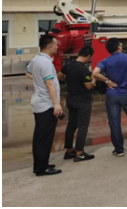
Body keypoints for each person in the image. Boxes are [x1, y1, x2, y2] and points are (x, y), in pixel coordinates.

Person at [93, 38, 127, 157]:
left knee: (114, 123)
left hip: (112, 95)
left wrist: (107, 81)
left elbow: (95, 73)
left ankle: (119, 149)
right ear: (119, 47)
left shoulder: (106, 61)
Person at [26, 35, 62, 176]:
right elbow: (49, 83)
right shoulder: (46, 63)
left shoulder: (36, 60)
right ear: (50, 47)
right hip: (46, 104)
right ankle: (42, 168)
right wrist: (56, 103)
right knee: (45, 137)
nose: (57, 46)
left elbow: (27, 72)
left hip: (39, 102)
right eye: (56, 44)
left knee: (40, 136)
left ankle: (40, 164)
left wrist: (38, 81)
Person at [57, 46, 96, 162]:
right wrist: (94, 81)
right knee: (83, 126)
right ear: (89, 56)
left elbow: (59, 77)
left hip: (71, 99)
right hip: (83, 101)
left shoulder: (68, 65)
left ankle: (69, 150)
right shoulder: (84, 70)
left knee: (71, 124)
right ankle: (80, 152)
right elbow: (88, 86)